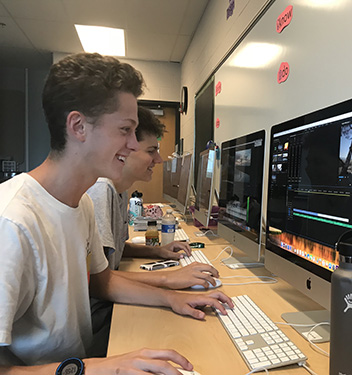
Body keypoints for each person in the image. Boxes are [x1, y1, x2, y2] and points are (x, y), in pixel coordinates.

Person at [0, 52, 233, 374]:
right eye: (125, 130)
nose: (135, 146)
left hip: (76, 359)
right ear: (78, 126)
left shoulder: (80, 202)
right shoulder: (12, 221)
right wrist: (92, 368)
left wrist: (171, 298)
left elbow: (102, 280)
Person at [87, 106, 220, 290]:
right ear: (126, 149)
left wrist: (158, 251)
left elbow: (114, 250)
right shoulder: (101, 190)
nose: (158, 160)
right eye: (151, 151)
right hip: (102, 309)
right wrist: (169, 278)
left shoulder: (120, 190)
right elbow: (97, 280)